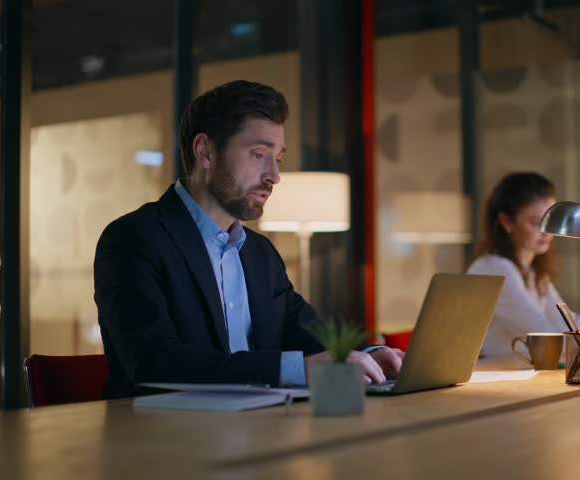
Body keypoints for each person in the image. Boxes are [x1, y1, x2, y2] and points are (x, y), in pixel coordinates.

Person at [94, 80, 403, 399]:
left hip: (260, 431)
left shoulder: (260, 253)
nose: (274, 176)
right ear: (205, 152)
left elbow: (310, 334)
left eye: (278, 158)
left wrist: (374, 353)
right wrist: (298, 370)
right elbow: (154, 362)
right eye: (259, 154)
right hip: (161, 438)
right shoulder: (133, 239)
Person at [466, 172, 580, 357]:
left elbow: (567, 324)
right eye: (536, 223)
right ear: (506, 222)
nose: (546, 232)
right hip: (493, 374)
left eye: (550, 221)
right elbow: (550, 339)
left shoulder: (534, 272)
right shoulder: (494, 269)